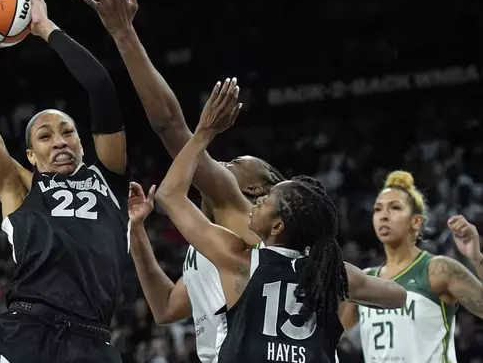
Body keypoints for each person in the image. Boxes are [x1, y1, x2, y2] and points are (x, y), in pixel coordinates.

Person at [76, 0, 284, 361]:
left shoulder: (238, 207)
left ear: (258, 189)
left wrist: (123, 34)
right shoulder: (212, 237)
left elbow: (169, 126)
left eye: (235, 163)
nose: (221, 164)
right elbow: (166, 308)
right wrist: (137, 231)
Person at [133, 79, 407, 363]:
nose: (259, 202)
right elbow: (398, 296)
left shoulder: (239, 260)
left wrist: (205, 131)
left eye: (266, 201)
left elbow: (169, 194)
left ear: (278, 226)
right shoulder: (332, 272)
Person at [0, 0, 129, 363]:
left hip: (93, 342)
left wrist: (45, 27)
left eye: (68, 132)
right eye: (45, 137)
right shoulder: (17, 185)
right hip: (27, 329)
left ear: (83, 142)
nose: (60, 141)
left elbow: (100, 86)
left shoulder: (109, 177)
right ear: (31, 155)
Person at [341, 170, 483, 363]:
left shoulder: (437, 269)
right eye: (378, 209)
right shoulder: (365, 280)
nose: (383, 216)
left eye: (395, 208)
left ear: (416, 222)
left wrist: (476, 258)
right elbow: (331, 336)